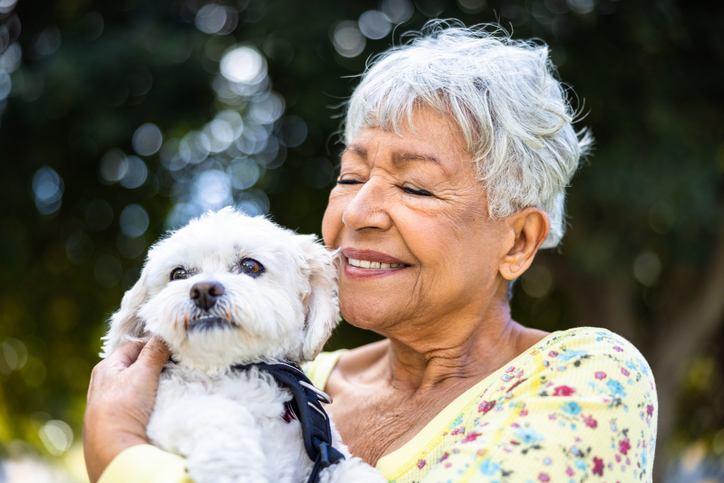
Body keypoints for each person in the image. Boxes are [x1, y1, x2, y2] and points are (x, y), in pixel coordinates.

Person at [84, 22, 658, 483]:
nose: (357, 213)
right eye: (351, 176)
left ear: (519, 240)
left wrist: (117, 452)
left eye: (414, 187)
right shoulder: (296, 380)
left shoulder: (587, 379)